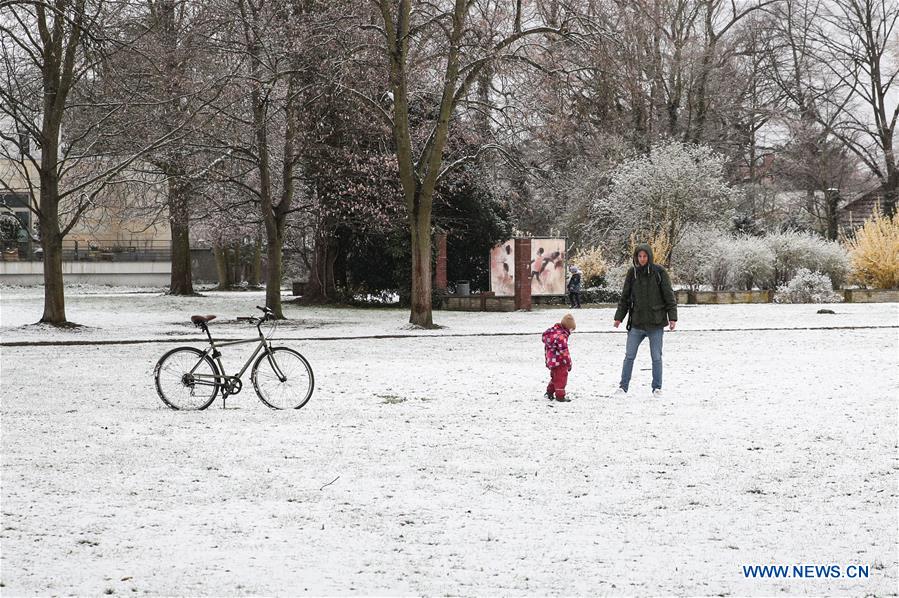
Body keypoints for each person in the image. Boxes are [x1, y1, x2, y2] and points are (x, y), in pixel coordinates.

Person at [613, 243, 677, 397]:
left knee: (656, 357)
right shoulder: (632, 273)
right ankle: (623, 386)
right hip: (636, 323)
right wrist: (619, 317)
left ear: (649, 256)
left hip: (656, 323)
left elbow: (669, 295)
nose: (642, 259)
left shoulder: (659, 272)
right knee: (629, 356)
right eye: (639, 256)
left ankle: (657, 388)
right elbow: (625, 297)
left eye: (644, 256)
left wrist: (672, 317)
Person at [542, 313, 576, 402]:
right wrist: (569, 363)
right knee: (561, 378)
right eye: (571, 329)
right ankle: (560, 396)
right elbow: (564, 352)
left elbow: (547, 349)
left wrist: (547, 361)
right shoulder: (561, 337)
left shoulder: (552, 334)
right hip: (560, 361)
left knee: (555, 377)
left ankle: (549, 392)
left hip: (552, 361)